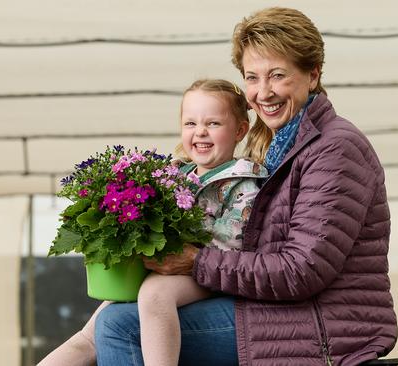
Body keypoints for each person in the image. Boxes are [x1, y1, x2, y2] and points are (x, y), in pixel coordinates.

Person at [96, 7, 398, 366]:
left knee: (120, 327)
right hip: (279, 312)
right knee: (109, 317)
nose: (263, 92)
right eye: (252, 78)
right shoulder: (280, 146)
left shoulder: (334, 148)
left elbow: (302, 270)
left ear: (312, 75)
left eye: (278, 76)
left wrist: (195, 262)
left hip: (318, 328)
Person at [37, 79, 266, 366]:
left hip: (205, 273)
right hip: (163, 267)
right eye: (190, 124)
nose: (200, 132)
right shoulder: (172, 174)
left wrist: (182, 252)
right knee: (90, 334)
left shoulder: (244, 182)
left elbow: (234, 242)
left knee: (154, 295)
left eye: (214, 123)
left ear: (240, 130)